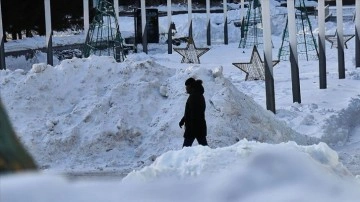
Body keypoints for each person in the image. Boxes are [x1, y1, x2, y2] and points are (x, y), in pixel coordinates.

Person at [179, 78, 208, 147]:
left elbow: (195, 114)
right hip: (199, 127)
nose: (186, 88)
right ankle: (211, 157)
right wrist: (182, 121)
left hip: (194, 128)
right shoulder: (196, 95)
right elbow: (189, 111)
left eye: (187, 86)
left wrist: (190, 128)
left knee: (185, 149)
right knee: (204, 147)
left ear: (191, 86)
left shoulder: (194, 97)